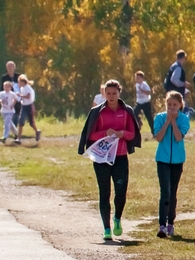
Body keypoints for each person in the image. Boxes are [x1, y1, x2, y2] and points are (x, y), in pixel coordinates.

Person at [77, 79, 141, 241]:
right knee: (104, 192)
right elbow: (90, 135)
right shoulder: (97, 112)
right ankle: (106, 228)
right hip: (101, 158)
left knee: (121, 191)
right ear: (103, 94)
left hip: (120, 157)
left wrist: (123, 134)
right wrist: (105, 133)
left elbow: (132, 134)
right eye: (108, 93)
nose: (111, 96)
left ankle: (117, 219)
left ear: (119, 93)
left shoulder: (126, 111)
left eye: (114, 93)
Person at [153, 91, 189, 238]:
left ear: (180, 105)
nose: (172, 107)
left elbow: (178, 137)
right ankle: (162, 225)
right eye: (169, 105)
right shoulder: (160, 118)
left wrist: (174, 121)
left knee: (173, 192)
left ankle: (171, 223)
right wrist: (167, 121)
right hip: (162, 159)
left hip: (177, 160)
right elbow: (159, 138)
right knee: (165, 191)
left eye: (175, 105)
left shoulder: (184, 119)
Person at [16, 74, 41, 144]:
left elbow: (28, 96)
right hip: (24, 106)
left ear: (22, 82)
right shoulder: (22, 89)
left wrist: (20, 96)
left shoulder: (28, 88)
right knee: (21, 122)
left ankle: (37, 131)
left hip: (29, 106)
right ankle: (18, 138)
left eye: (19, 82)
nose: (18, 83)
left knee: (31, 123)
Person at [1, 61, 22, 131]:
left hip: (18, 97)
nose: (10, 68)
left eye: (11, 67)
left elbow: (23, 86)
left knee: (17, 112)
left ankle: (15, 128)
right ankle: (12, 129)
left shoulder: (19, 76)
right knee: (9, 113)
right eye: (8, 67)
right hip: (8, 98)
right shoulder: (4, 77)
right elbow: (2, 88)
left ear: (14, 67)